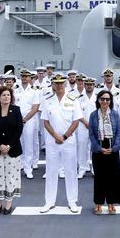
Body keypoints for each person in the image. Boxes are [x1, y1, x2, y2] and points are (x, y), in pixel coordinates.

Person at [40, 74, 83, 213]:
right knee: (51, 171)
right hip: (52, 141)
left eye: (61, 83)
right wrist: (55, 136)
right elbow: (45, 121)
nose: (58, 86)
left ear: (65, 84)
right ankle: (49, 201)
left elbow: (76, 121)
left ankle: (72, 201)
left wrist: (64, 136)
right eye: (56, 83)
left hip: (68, 140)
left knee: (70, 171)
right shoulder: (47, 100)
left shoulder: (73, 99)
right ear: (53, 84)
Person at [0, 85, 24, 215]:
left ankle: (8, 205)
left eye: (8, 95)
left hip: (12, 150)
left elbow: (19, 130)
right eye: (4, 95)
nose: (6, 97)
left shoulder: (16, 110)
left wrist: (8, 146)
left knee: (10, 176)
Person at [88, 90, 120, 215]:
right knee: (99, 177)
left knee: (112, 177)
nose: (105, 101)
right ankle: (98, 203)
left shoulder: (115, 115)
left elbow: (119, 133)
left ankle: (110, 202)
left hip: (111, 147)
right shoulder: (93, 115)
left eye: (107, 99)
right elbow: (91, 134)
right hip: (99, 148)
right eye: (102, 99)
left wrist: (114, 148)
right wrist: (98, 147)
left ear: (110, 101)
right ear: (98, 100)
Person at [15, 70, 41, 179]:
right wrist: (19, 118)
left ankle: (28, 168)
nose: (24, 78)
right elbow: (12, 104)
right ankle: (20, 163)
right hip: (17, 119)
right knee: (18, 142)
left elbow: (35, 108)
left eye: (27, 76)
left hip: (29, 119)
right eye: (23, 76)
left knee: (29, 143)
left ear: (30, 78)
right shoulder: (15, 90)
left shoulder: (34, 91)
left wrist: (25, 119)